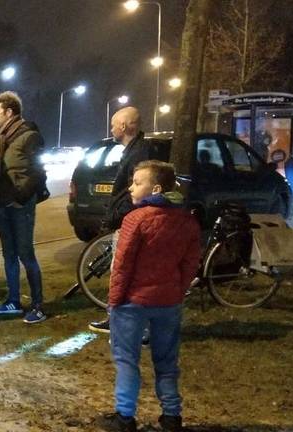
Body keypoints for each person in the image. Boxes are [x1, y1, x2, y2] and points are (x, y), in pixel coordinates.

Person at [104, 160, 201, 432]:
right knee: (167, 362)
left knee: (126, 360)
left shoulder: (135, 219)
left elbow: (121, 266)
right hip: (168, 302)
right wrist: (177, 292)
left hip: (132, 302)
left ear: (155, 188)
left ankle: (125, 417)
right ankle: (172, 416)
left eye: (137, 182)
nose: (131, 188)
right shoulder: (187, 221)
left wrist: (114, 301)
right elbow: (190, 264)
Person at [89, 106, 155, 334]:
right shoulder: (133, 151)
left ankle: (130, 324)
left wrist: (120, 215)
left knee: (125, 273)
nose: (111, 128)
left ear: (124, 126)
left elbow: (135, 192)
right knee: (121, 271)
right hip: (126, 220)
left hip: (128, 222)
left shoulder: (138, 154)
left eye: (113, 124)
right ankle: (117, 317)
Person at [0, 91, 48, 324]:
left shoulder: (28, 135)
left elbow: (38, 171)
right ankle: (13, 300)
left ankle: (38, 305)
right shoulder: (2, 135)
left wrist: (21, 196)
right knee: (9, 255)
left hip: (20, 205)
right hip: (2, 202)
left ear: (9, 112)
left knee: (26, 254)